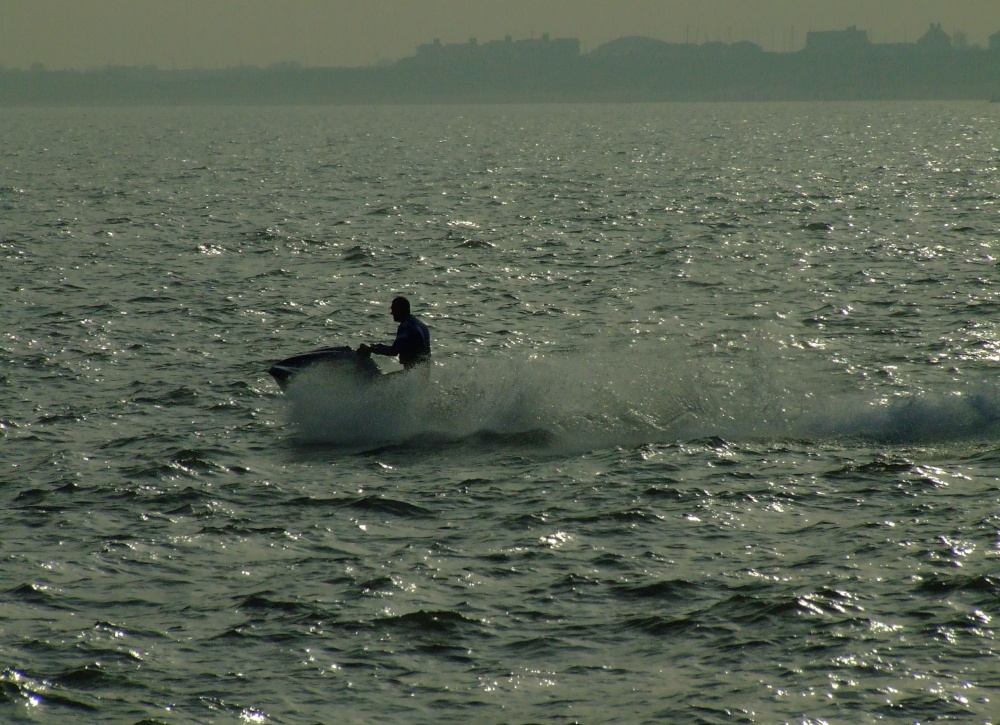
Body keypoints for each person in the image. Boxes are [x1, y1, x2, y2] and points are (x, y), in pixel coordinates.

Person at [358, 296, 431, 371]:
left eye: (393, 309)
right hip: (423, 373)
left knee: (376, 379)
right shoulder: (420, 324)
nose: (392, 313)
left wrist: (371, 349)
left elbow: (394, 351)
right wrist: (376, 346)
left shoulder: (405, 326)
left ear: (400, 310)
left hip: (413, 372)